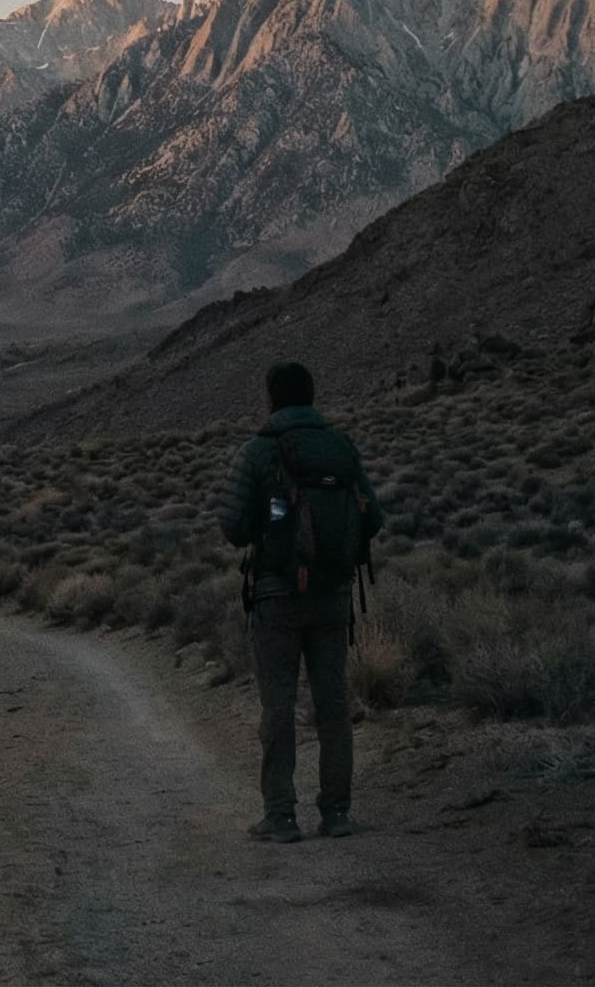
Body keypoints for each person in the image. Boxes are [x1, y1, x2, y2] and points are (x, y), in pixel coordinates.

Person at [218, 360, 383, 842]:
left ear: (271, 399)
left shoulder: (257, 452)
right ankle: (336, 813)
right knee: (333, 705)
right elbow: (373, 517)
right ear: (311, 397)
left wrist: (271, 533)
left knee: (279, 706)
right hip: (333, 596)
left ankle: (281, 815)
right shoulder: (341, 448)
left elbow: (232, 526)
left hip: (277, 596)